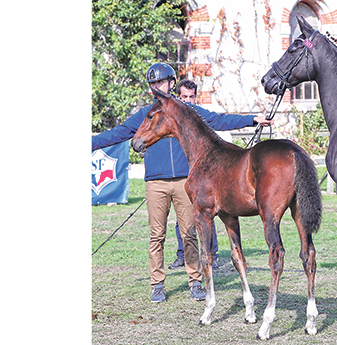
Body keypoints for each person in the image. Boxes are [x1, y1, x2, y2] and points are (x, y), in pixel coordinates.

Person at [92, 62, 272, 303]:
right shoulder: (147, 115)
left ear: (171, 83)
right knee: (157, 236)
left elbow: (218, 120)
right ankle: (157, 284)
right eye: (154, 83)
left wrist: (252, 119)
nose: (158, 86)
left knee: (190, 233)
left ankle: (195, 281)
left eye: (161, 82)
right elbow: (118, 133)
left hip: (185, 182)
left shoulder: (188, 111)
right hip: (156, 182)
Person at [167, 79, 219, 270]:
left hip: (200, 175)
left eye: (192, 97)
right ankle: (182, 256)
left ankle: (212, 253)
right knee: (182, 220)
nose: (188, 101)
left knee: (206, 214)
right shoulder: (172, 116)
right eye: (184, 97)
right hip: (180, 176)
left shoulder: (198, 115)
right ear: (178, 97)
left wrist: (253, 120)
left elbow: (222, 120)